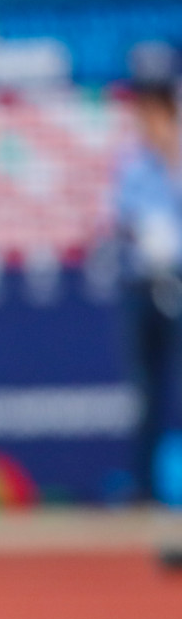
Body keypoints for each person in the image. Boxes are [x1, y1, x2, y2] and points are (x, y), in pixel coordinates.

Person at [113, 78, 182, 502]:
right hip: (143, 287)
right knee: (145, 393)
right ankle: (146, 488)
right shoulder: (131, 164)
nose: (148, 122)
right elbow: (122, 216)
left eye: (155, 113)